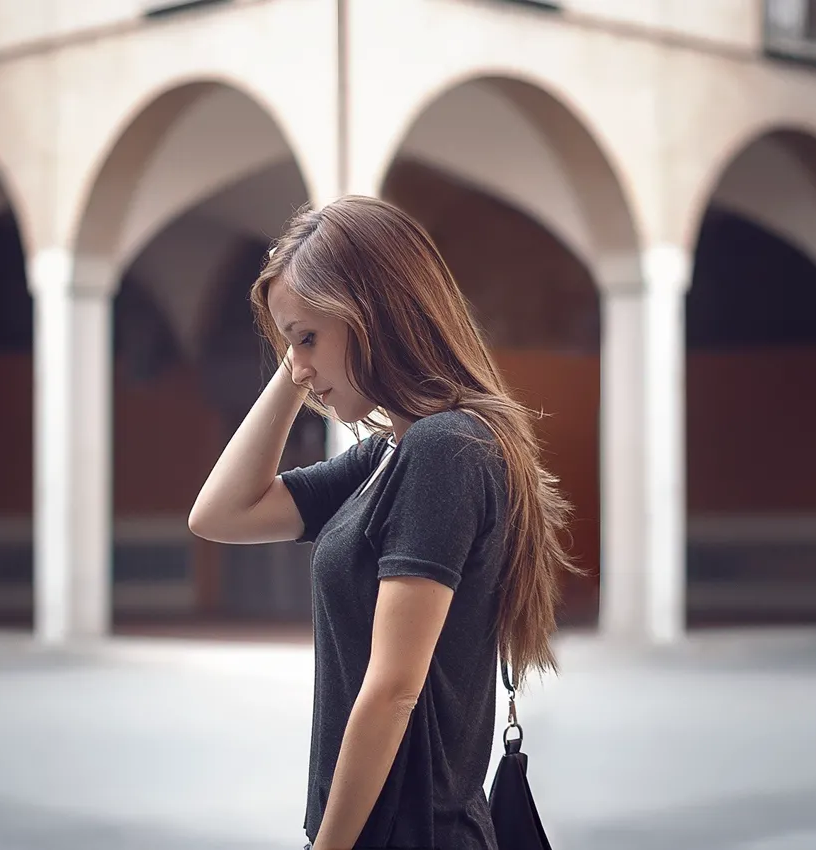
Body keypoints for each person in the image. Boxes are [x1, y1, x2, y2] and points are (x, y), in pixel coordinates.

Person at [188, 195, 579, 850]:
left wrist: (328, 849)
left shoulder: (444, 451)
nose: (304, 369)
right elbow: (220, 514)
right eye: (292, 345)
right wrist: (296, 360)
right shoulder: (389, 455)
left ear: (374, 314)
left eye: (310, 337)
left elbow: (394, 688)